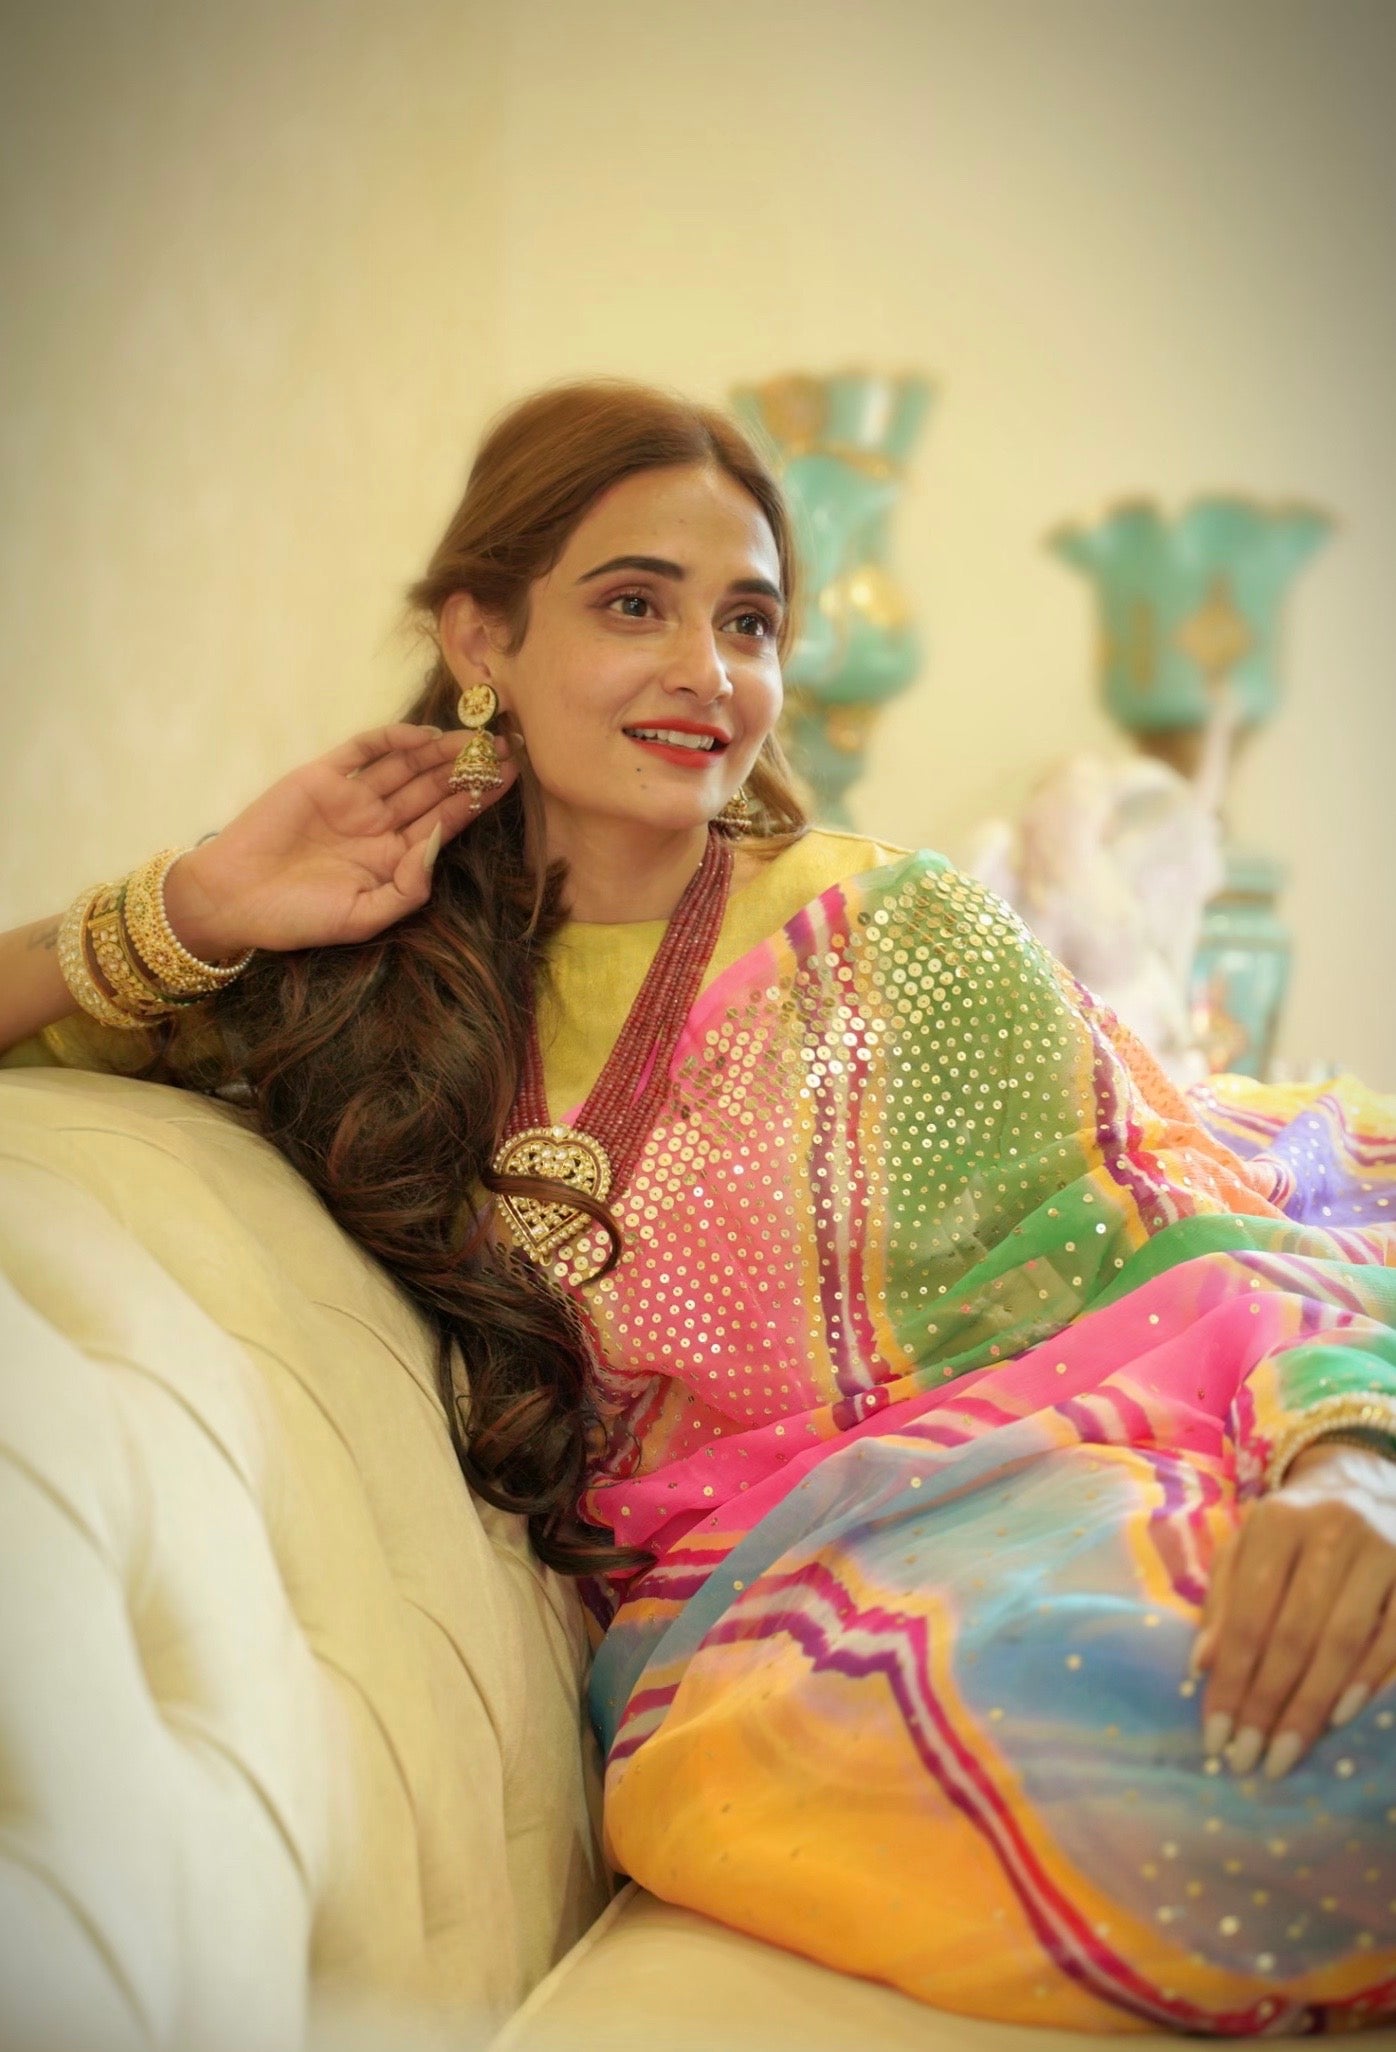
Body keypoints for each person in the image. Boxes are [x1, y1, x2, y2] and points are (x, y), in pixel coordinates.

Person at [2, 378, 1395, 2034]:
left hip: (1081, 1472)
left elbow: (1196, 1236)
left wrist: (1349, 1463)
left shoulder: (901, 936)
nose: (705, 671)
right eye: (633, 605)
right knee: (1241, 1752)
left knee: (1325, 1680)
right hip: (761, 1627)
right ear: (481, 635)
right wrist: (198, 900)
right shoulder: (346, 969)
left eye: (748, 622)